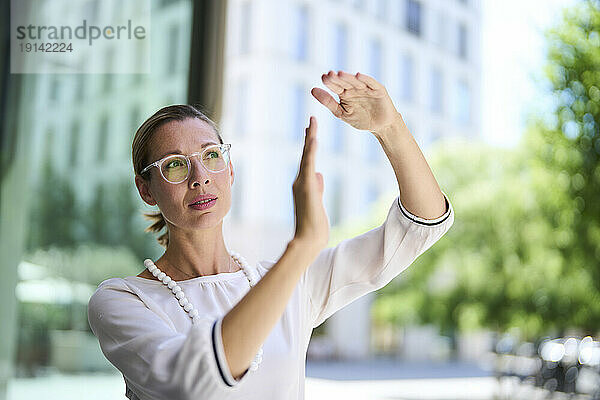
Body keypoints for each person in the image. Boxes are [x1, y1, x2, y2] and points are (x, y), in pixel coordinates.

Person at [87, 70, 454, 400]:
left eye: (211, 156)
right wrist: (303, 247)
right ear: (146, 190)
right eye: (174, 164)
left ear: (229, 172)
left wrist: (390, 129)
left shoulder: (291, 283)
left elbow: (421, 225)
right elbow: (189, 383)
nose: (199, 176)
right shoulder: (123, 300)